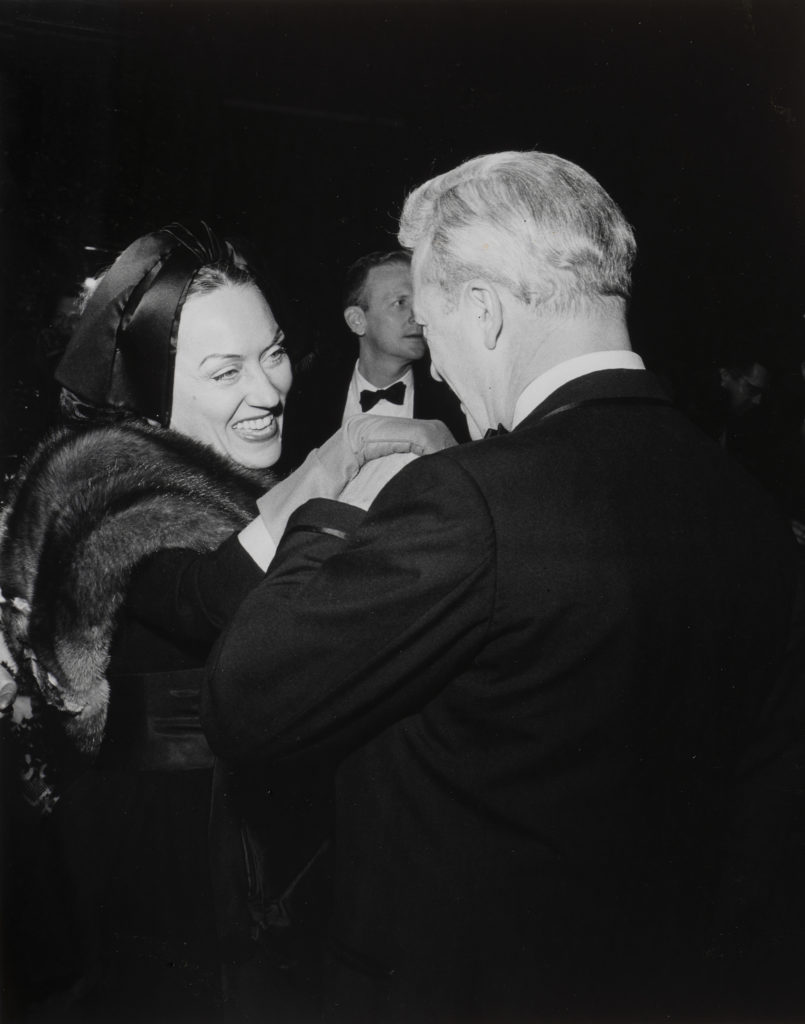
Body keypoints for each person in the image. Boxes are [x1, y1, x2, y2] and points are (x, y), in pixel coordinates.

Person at [200, 153, 805, 1023]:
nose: (439, 371)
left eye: (433, 326)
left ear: (482, 312)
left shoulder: (470, 498)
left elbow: (246, 699)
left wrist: (341, 499)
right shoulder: (751, 511)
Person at [0, 222, 450, 1022]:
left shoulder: (220, 466)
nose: (270, 389)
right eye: (225, 371)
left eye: (273, 353)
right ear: (150, 387)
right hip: (164, 847)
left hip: (246, 822)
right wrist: (341, 459)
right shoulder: (99, 486)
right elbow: (207, 596)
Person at [278, 250, 469, 471]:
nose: (418, 315)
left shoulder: (455, 399)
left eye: (419, 301)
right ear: (357, 321)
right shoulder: (307, 399)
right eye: (400, 302)